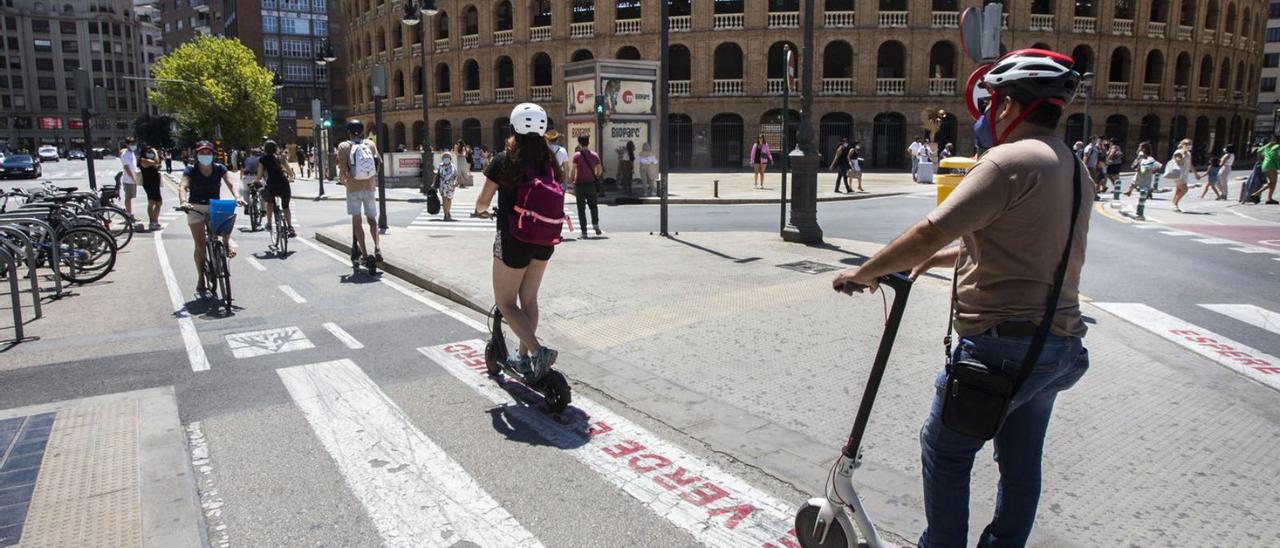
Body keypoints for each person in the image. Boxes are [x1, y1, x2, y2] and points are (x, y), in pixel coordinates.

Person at [833, 48, 1090, 548]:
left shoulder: (1008, 160)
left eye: (994, 102)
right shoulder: (1073, 167)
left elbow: (932, 228)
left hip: (1000, 351)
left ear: (1010, 106)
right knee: (1020, 463)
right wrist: (928, 263)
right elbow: (1012, 250)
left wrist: (865, 272)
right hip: (1055, 350)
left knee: (945, 451)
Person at [473, 103, 561, 375]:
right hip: (545, 238)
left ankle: (537, 351)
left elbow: (482, 203)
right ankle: (523, 359)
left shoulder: (504, 159)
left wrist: (482, 212)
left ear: (513, 128)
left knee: (506, 303)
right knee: (530, 301)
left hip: (514, 239)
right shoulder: (550, 161)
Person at [180, 141, 244, 295]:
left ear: (213, 155)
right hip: (195, 207)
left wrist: (237, 197)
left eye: (208, 153)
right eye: (202, 153)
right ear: (197, 155)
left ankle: (226, 245)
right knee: (200, 246)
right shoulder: (191, 170)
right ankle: (201, 278)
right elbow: (183, 186)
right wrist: (183, 201)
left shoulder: (219, 168)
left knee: (227, 217)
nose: (205, 156)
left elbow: (231, 183)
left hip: (214, 206)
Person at [336, 120, 383, 265]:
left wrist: (344, 182)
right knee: (372, 220)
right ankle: (377, 248)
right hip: (369, 186)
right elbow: (379, 163)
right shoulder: (370, 144)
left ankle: (364, 253)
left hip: (353, 189)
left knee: (357, 221)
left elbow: (342, 172)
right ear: (362, 131)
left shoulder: (343, 146)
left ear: (348, 131)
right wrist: (371, 177)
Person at [254, 140, 296, 238]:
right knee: (285, 206)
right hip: (283, 184)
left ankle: (269, 224)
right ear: (275, 148)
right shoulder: (281, 158)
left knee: (270, 203)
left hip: (272, 185)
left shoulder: (262, 160)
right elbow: (290, 172)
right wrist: (290, 177)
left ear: (264, 149)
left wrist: (256, 181)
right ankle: (290, 226)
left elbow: (259, 176)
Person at [569, 135, 603, 238]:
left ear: (579, 143)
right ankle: (595, 224)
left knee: (581, 208)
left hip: (580, 184)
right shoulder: (595, 155)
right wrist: (596, 176)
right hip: (591, 184)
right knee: (593, 206)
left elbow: (573, 170)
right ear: (588, 142)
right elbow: (599, 169)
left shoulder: (576, 156)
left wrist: (571, 179)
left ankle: (584, 231)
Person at [1128, 142, 1162, 220]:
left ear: (1143, 149)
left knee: (1143, 188)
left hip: (1145, 175)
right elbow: (1135, 165)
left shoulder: (1147, 158)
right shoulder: (1142, 156)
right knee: (1135, 183)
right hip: (1141, 175)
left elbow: (1157, 166)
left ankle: (1146, 195)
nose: (1138, 149)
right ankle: (1131, 192)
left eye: (1139, 147)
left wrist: (1147, 168)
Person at [138, 140, 163, 231]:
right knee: (154, 202)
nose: (151, 153)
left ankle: (154, 222)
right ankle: (153, 222)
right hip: (150, 183)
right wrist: (155, 152)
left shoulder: (149, 161)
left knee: (155, 202)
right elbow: (156, 162)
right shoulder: (143, 160)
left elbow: (157, 164)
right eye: (149, 152)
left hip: (154, 183)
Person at [1252, 136, 1280, 204]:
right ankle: (1255, 194)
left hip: (1266, 164)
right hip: (1271, 165)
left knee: (1273, 182)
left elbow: (1258, 151)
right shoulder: (1277, 146)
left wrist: (1260, 161)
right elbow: (1274, 156)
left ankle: (1269, 198)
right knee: (1272, 182)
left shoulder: (1268, 145)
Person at [119, 137, 140, 223]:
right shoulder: (125, 154)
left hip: (133, 178)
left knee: (130, 197)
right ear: (127, 144)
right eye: (131, 144)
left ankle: (130, 214)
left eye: (134, 144)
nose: (133, 146)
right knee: (128, 197)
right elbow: (126, 167)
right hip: (128, 179)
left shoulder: (132, 153)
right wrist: (133, 178)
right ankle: (129, 215)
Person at [1172, 139, 1196, 212]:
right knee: (1185, 189)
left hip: (1184, 174)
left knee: (1178, 190)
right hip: (1178, 174)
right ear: (1182, 144)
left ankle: (1174, 204)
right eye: (1187, 144)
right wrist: (1184, 155)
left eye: (1190, 144)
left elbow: (1190, 164)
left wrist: (1195, 173)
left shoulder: (1188, 153)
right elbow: (1179, 162)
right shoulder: (1178, 152)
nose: (1189, 145)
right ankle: (1175, 204)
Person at [435, 151, 458, 221]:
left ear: (450, 158)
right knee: (444, 200)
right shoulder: (440, 166)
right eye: (445, 157)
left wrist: (455, 182)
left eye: (447, 157)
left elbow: (456, 176)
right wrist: (433, 184)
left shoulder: (453, 166)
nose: (446, 158)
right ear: (442, 158)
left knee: (449, 200)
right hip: (442, 186)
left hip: (451, 186)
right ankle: (446, 215)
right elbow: (437, 175)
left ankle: (448, 212)